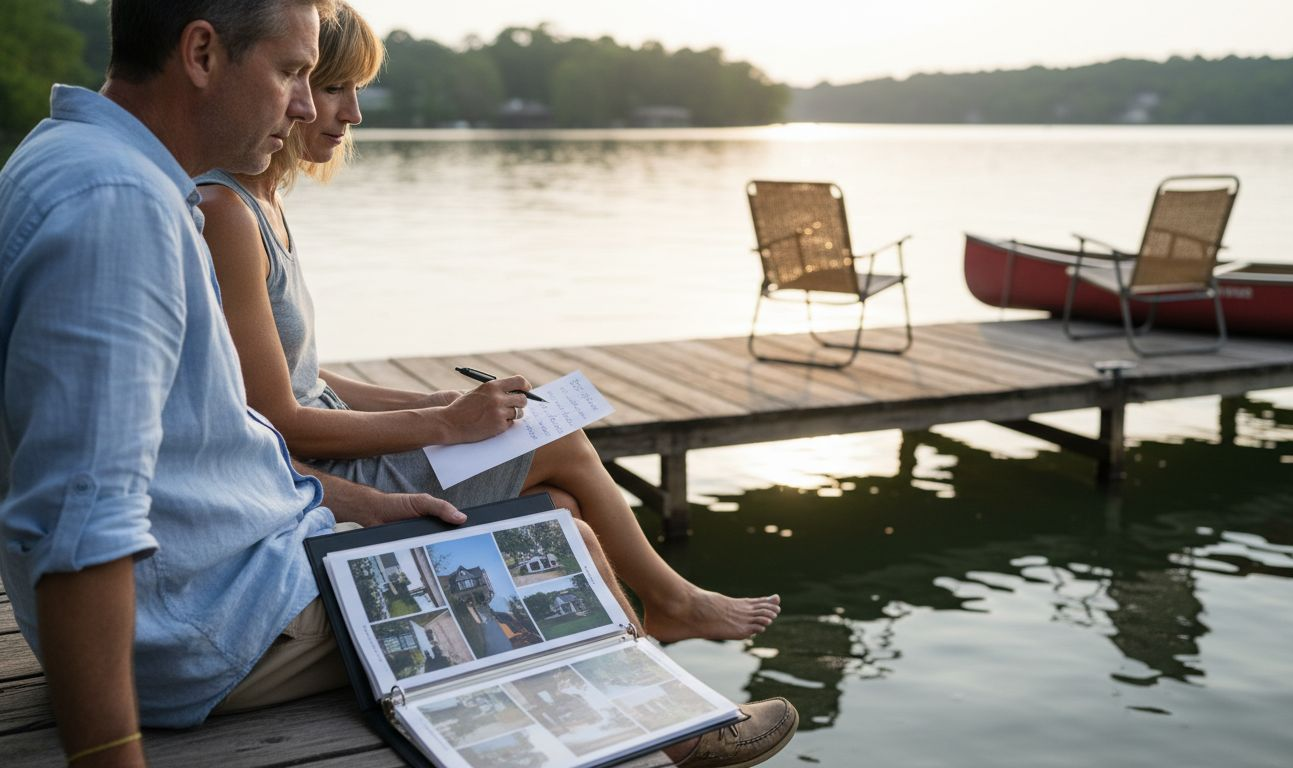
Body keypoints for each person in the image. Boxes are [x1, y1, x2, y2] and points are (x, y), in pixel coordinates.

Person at [0, 2, 796, 766]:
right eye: (293, 72)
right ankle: (672, 740)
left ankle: (666, 721)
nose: (308, 105)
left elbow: (214, 445)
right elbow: (84, 514)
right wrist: (107, 756)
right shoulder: (118, 206)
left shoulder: (80, 165)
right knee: (562, 544)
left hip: (233, 570)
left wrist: (365, 502)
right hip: (214, 626)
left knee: (552, 517)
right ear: (202, 53)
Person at [197, 2, 781, 645]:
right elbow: (275, 417)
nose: (350, 112)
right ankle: (673, 602)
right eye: (331, 86)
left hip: (341, 444)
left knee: (559, 512)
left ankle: (638, 673)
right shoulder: (228, 211)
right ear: (287, 84)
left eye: (352, 89)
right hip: (319, 473)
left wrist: (431, 402)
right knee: (560, 443)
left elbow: (296, 375)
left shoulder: (266, 202)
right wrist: (447, 424)